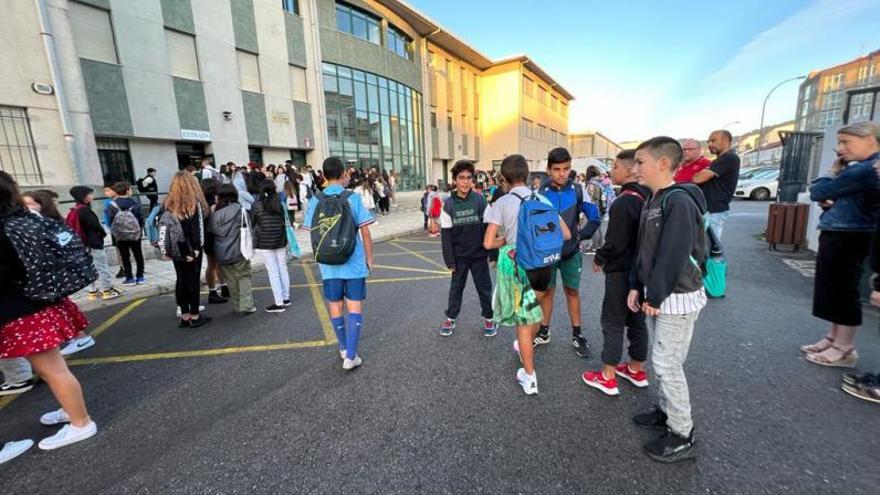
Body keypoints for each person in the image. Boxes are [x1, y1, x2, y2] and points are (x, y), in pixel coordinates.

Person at [0, 171, 98, 450]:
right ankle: (72, 411)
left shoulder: (6, 228)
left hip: (21, 310)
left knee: (53, 370)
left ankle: (80, 422)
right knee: (54, 369)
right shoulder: (23, 221)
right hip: (35, 303)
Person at [626, 137, 707, 463]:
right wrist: (637, 285)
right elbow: (644, 249)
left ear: (662, 163)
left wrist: (654, 294)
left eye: (640, 162)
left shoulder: (679, 201)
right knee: (664, 360)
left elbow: (674, 253)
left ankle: (682, 434)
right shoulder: (655, 198)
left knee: (666, 364)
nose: (635, 169)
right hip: (659, 296)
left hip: (677, 297)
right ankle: (666, 412)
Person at [483, 154, 570, 395]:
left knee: (523, 322)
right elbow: (565, 234)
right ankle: (524, 348)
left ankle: (529, 377)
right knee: (533, 313)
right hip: (544, 265)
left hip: (520, 265)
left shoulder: (501, 203)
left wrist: (507, 241)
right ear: (527, 173)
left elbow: (488, 242)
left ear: (503, 177)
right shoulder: (541, 198)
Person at [801, 122, 880, 368]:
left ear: (869, 139)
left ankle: (844, 347)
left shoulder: (865, 169)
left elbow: (819, 191)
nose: (839, 148)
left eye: (846, 142)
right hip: (842, 231)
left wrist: (832, 171)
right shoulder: (861, 169)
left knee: (844, 290)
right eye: (839, 142)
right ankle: (833, 338)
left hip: (851, 235)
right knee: (834, 289)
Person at [582, 149, 651, 396]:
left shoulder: (625, 201)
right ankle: (636, 368)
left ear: (632, 168)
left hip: (621, 270)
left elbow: (615, 241)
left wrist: (600, 257)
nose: (611, 171)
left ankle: (607, 375)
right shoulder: (650, 196)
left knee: (612, 321)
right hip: (641, 270)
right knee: (636, 319)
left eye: (616, 166)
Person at [304, 157, 374, 370]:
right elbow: (365, 230)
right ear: (344, 174)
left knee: (335, 304)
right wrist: (369, 258)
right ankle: (351, 355)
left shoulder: (315, 199)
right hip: (353, 260)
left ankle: (343, 347)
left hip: (328, 263)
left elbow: (311, 231)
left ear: (323, 176)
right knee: (354, 303)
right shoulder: (352, 198)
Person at [535, 148, 601, 358]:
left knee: (572, 291)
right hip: (548, 254)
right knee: (547, 292)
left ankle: (577, 334)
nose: (562, 173)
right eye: (557, 169)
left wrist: (580, 236)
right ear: (548, 170)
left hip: (571, 253)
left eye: (566, 169)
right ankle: (544, 331)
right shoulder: (539, 194)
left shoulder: (578, 190)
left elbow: (595, 217)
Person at [438, 160, 497, 337]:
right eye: (461, 178)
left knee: (484, 288)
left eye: (468, 178)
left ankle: (489, 318)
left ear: (473, 180)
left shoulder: (480, 201)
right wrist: (449, 260)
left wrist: (493, 254)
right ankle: (451, 318)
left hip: (479, 255)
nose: (465, 182)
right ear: (454, 180)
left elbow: (489, 229)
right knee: (456, 289)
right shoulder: (448, 205)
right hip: (459, 257)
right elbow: (446, 236)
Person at [161, 171, 211, 328]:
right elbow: (197, 229)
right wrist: (196, 249)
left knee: (181, 278)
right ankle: (195, 316)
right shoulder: (193, 203)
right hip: (190, 249)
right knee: (193, 280)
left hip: (175, 248)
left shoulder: (168, 203)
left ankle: (184, 315)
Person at [67, 186, 123, 302]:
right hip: (93, 243)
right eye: (90, 194)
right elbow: (96, 226)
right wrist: (102, 235)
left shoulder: (75, 209)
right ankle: (108, 290)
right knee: (102, 267)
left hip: (82, 244)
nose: (92, 196)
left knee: (88, 268)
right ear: (84, 196)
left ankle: (93, 291)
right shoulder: (85, 210)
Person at [209, 184, 256, 315]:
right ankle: (246, 305)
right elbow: (249, 230)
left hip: (221, 252)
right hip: (239, 250)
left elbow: (211, 231)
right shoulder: (240, 210)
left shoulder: (215, 214)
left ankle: (236, 306)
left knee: (230, 280)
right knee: (243, 277)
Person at [692, 130, 741, 240]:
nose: (710, 144)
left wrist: (702, 174)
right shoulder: (718, 160)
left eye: (713, 141)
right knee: (703, 244)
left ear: (726, 141)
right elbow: (697, 177)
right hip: (710, 209)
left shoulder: (730, 158)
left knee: (711, 245)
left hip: (715, 210)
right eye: (708, 141)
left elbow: (698, 178)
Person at [251, 179, 290, 313]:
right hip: (280, 239)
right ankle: (286, 298)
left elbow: (252, 222)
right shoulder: (279, 203)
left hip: (265, 241)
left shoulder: (256, 205)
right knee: (282, 268)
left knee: (273, 271)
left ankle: (279, 303)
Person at [107, 182, 145, 286]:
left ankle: (129, 278)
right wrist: (140, 229)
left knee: (124, 256)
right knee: (138, 255)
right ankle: (140, 276)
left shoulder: (112, 205)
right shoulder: (135, 203)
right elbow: (141, 219)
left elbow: (109, 221)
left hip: (120, 236)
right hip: (135, 234)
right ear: (128, 190)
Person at [200, 178, 228, 304]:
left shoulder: (200, 203)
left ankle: (220, 288)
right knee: (214, 264)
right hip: (215, 237)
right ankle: (216, 291)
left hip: (207, 237)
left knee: (213, 264)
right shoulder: (214, 204)